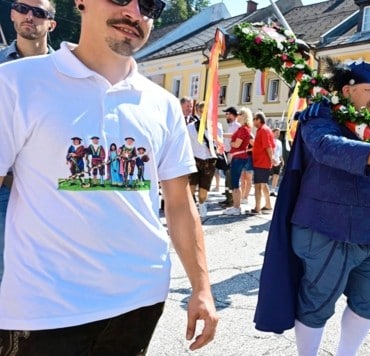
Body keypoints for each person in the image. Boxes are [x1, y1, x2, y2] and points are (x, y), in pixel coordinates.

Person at [0, 0, 218, 352]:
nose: (134, 12)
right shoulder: (15, 84)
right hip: (44, 308)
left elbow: (179, 203)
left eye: (149, 4)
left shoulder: (162, 104)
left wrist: (202, 288)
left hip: (140, 300)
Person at [254, 60, 370, 355]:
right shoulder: (320, 116)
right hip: (328, 229)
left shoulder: (369, 129)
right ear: (347, 89)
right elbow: (327, 147)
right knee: (317, 303)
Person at [0, 0, 57, 285]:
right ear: (12, 13)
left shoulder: (65, 72)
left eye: (39, 12)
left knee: (47, 274)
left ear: (51, 24)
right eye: (23, 8)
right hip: (3, 190)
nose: (29, 16)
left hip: (47, 190)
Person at [186, 100, 218, 217]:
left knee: (203, 191)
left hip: (209, 161)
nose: (204, 113)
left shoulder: (215, 126)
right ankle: (190, 209)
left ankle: (202, 205)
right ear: (198, 112)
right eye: (201, 111)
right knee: (191, 188)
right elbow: (187, 145)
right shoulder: (190, 127)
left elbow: (219, 144)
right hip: (195, 160)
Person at [224, 108, 253, 216]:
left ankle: (236, 207)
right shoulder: (244, 128)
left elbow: (236, 144)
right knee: (236, 182)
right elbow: (234, 137)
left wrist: (230, 143)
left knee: (235, 183)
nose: (237, 115)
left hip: (238, 157)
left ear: (243, 116)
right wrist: (222, 135)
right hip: (240, 157)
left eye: (239, 114)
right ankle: (236, 206)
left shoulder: (243, 129)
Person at [249, 111, 274, 215]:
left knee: (258, 186)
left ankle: (257, 208)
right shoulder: (263, 130)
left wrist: (271, 159)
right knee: (263, 185)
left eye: (254, 119)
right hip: (262, 162)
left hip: (261, 163)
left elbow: (267, 146)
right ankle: (268, 205)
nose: (253, 121)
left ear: (259, 120)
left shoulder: (263, 130)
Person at [219, 106, 240, 207]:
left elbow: (234, 137)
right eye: (226, 114)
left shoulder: (236, 126)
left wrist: (220, 135)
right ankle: (228, 197)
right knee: (227, 178)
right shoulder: (231, 126)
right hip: (227, 154)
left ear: (234, 115)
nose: (226, 116)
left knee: (230, 178)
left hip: (233, 155)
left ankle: (231, 200)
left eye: (228, 114)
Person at [270, 128, 283, 196]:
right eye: (276, 133)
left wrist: (282, 161)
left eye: (279, 133)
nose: (278, 134)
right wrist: (272, 159)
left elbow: (280, 153)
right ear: (273, 133)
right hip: (270, 160)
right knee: (269, 176)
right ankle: (263, 189)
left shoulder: (279, 142)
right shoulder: (269, 140)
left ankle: (273, 190)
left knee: (276, 176)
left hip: (277, 161)